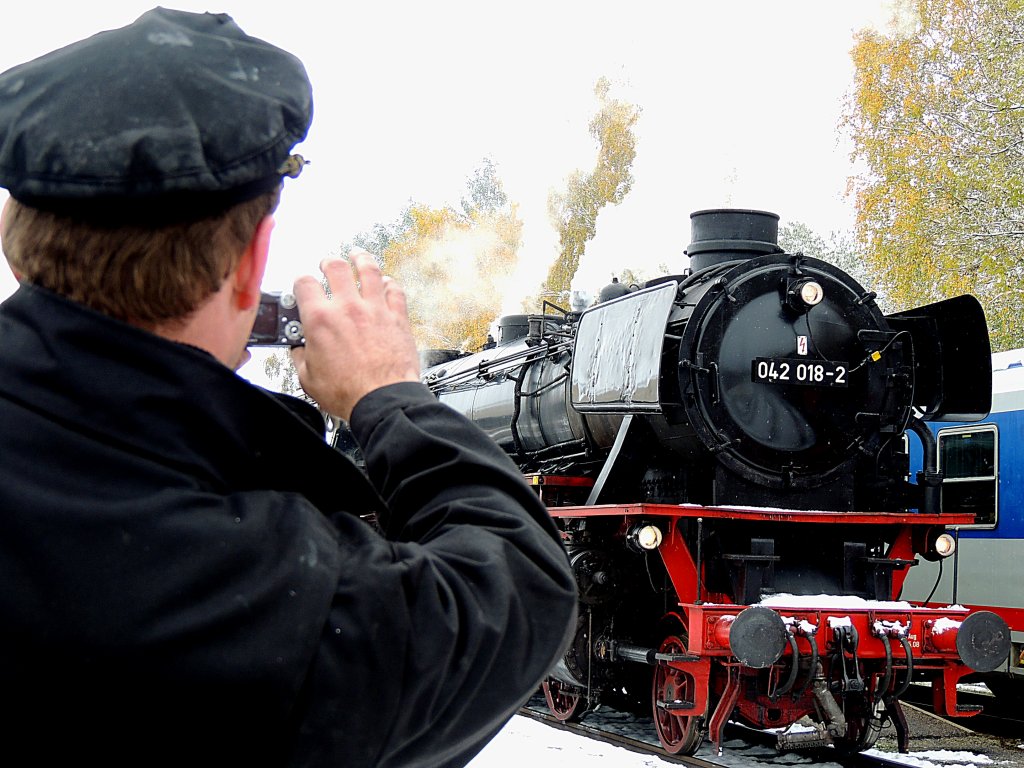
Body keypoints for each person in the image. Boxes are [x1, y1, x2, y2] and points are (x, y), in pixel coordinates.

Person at [0, 8, 576, 767]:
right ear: (252, 261)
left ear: (20, 237)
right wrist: (390, 394)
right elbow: (522, 590)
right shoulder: (247, 591)